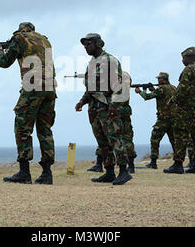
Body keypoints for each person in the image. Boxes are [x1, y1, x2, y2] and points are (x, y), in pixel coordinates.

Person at [0, 23, 57, 185]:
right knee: (45, 129)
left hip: (32, 86)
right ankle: (47, 172)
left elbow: (4, 62)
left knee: (22, 126)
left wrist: (0, 50)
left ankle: (24, 172)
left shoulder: (20, 38)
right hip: (50, 88)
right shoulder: (45, 40)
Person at [75, 34, 132, 185]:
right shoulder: (92, 63)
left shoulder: (110, 60)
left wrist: (114, 106)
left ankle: (124, 171)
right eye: (85, 44)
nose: (86, 46)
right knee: (102, 141)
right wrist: (82, 101)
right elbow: (91, 87)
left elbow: (118, 86)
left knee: (114, 138)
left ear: (99, 43)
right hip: (94, 108)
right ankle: (109, 172)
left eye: (89, 43)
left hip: (107, 107)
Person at [164, 47, 195, 174]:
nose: (182, 60)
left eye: (183, 58)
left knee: (181, 135)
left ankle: (178, 164)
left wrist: (172, 101)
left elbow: (182, 89)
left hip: (186, 109)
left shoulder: (188, 70)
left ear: (189, 57)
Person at [88, 72, 137, 174]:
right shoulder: (124, 79)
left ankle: (101, 164)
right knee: (124, 138)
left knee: (109, 137)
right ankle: (130, 166)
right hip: (123, 112)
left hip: (115, 112)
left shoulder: (115, 82)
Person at [135, 72, 176, 169]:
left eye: (159, 79)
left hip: (163, 119)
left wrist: (140, 91)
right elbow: (163, 96)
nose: (158, 80)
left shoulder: (161, 88)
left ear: (163, 79)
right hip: (174, 119)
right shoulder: (174, 88)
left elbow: (147, 97)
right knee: (174, 141)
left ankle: (153, 162)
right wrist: (153, 90)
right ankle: (178, 161)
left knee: (154, 140)